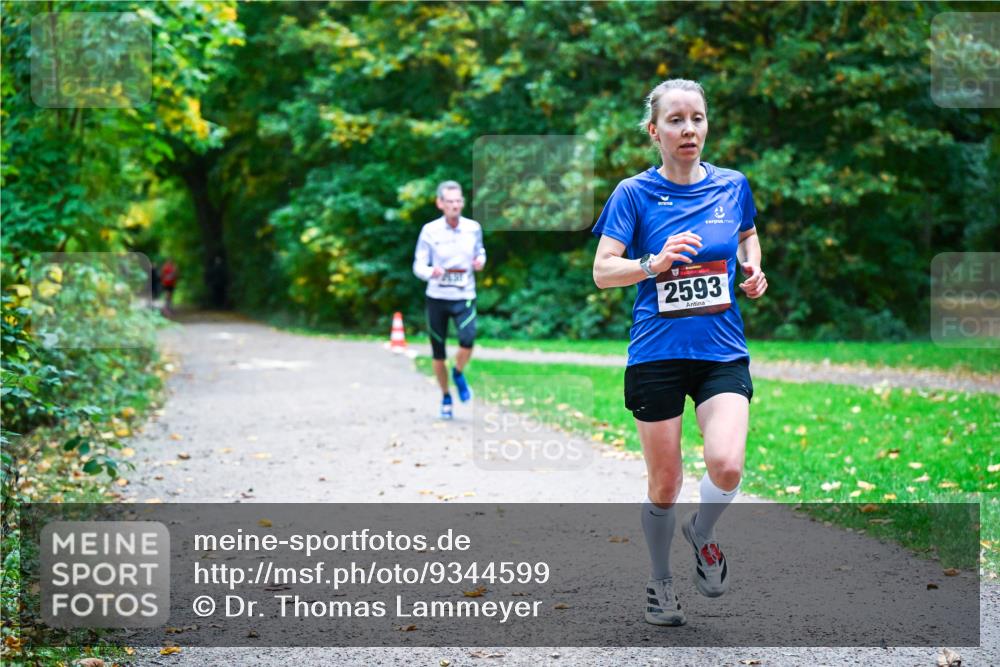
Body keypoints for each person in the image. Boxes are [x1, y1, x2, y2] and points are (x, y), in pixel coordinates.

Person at [591, 79, 767, 626]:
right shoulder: (633, 194)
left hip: (721, 351)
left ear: (706, 124)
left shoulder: (732, 185)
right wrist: (653, 262)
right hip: (656, 355)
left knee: (727, 465)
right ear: (654, 131)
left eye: (697, 118)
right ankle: (661, 581)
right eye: (675, 120)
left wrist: (753, 268)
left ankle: (705, 532)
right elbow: (602, 272)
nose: (688, 128)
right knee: (665, 484)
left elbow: (747, 233)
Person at [412, 181, 486, 420]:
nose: (455, 205)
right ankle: (445, 396)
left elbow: (480, 252)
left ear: (462, 202)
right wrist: (430, 271)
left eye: (458, 201)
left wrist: (480, 261)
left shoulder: (473, 228)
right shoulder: (430, 230)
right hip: (437, 297)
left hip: (464, 295)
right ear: (440, 203)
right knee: (438, 353)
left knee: (468, 338)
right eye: (450, 201)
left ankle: (458, 372)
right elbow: (418, 265)